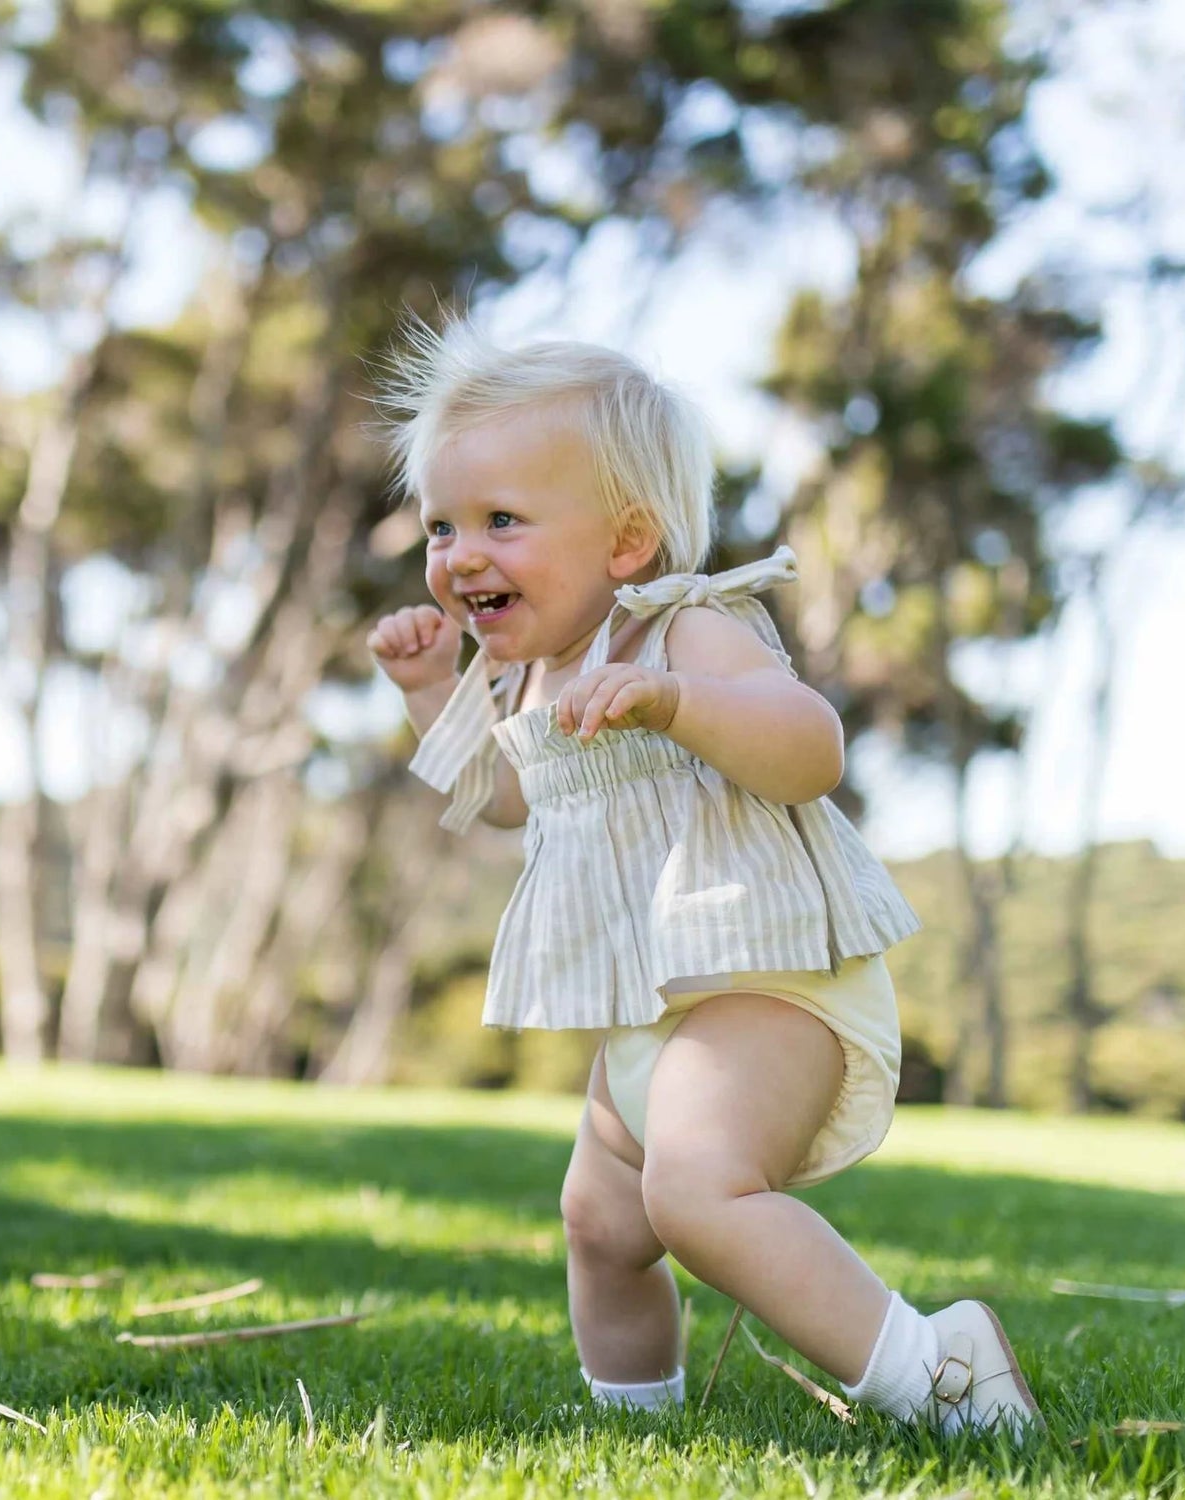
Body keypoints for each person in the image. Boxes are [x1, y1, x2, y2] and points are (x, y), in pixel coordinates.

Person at [367, 319, 1040, 1439]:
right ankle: (635, 1428)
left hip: (767, 982)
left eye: (500, 521)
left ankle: (939, 1370)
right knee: (602, 1223)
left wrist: (679, 705)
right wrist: (434, 692)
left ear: (626, 543)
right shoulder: (538, 680)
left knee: (694, 1195)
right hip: (652, 1006)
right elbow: (507, 798)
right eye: (441, 525)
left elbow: (811, 749)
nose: (457, 553)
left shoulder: (687, 631)